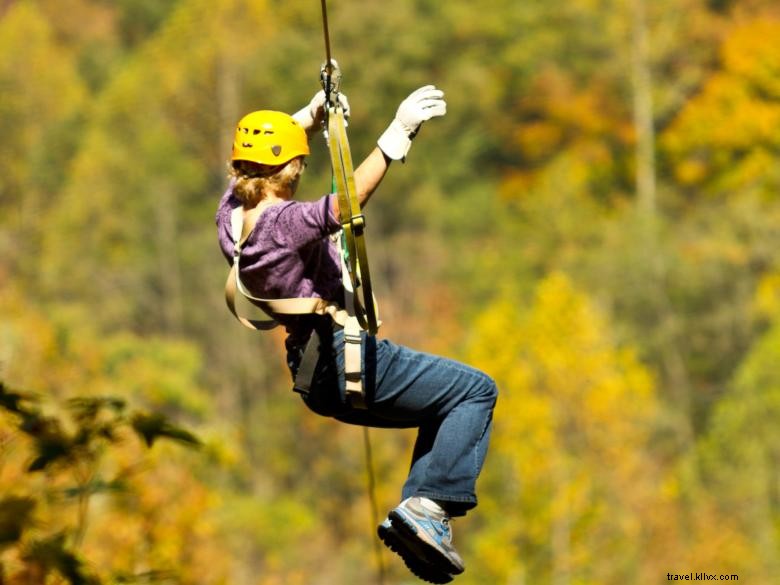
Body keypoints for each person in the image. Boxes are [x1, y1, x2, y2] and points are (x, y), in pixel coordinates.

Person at [215, 85, 498, 583]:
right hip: (345, 358)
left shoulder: (231, 219)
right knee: (475, 391)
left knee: (443, 406)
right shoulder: (284, 222)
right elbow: (348, 202)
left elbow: (253, 167)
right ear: (291, 170)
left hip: (316, 381)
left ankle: (425, 508)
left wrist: (306, 116)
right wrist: (398, 133)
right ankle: (427, 508)